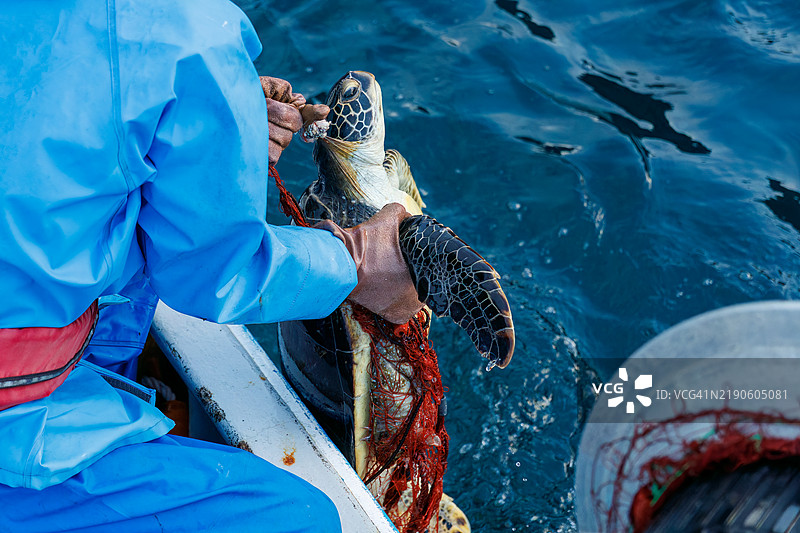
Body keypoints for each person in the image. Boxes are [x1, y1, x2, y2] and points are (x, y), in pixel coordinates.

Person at [0, 0, 422, 531]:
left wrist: (211, 119)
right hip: (11, 428)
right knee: (304, 518)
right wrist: (355, 261)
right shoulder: (185, 29)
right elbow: (214, 274)